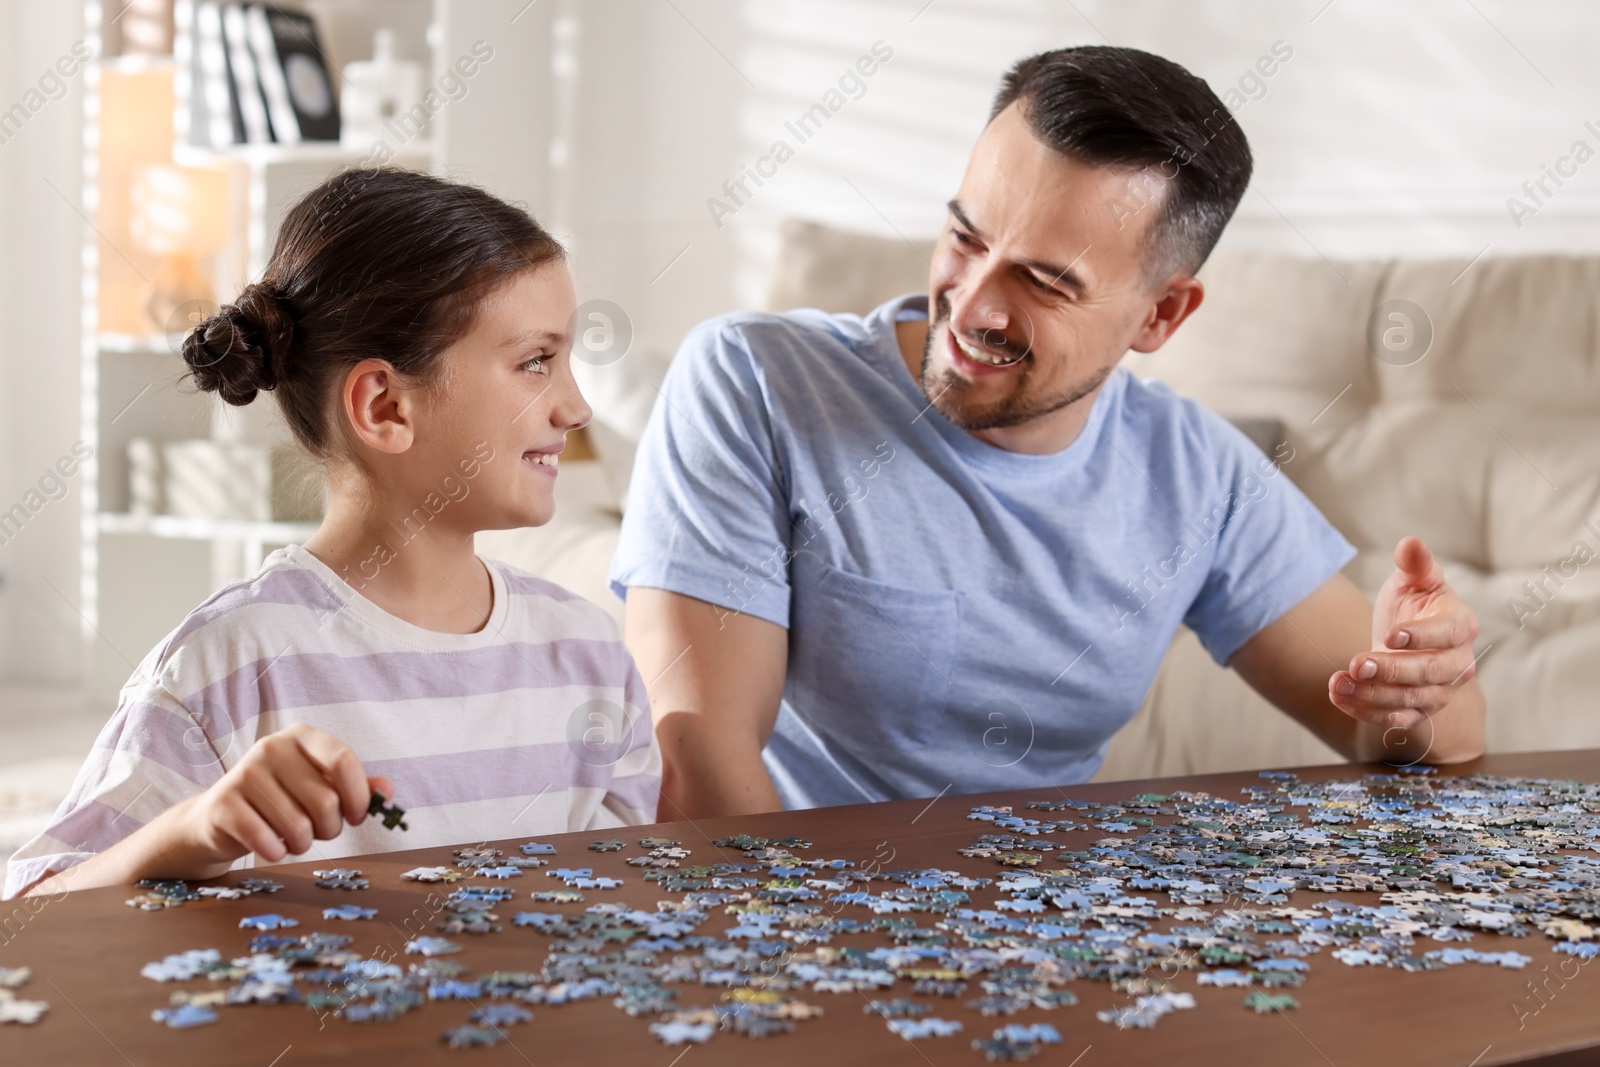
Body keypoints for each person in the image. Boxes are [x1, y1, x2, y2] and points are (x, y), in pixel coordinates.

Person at [612, 46, 1486, 818]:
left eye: (1043, 281)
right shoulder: (756, 381)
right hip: (779, 932)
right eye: (966, 235)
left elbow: (1419, 740)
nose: (975, 304)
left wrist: (1422, 691)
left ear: (1162, 314)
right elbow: (702, 769)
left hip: (1045, 946)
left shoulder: (1198, 476)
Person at [6, 169, 660, 899]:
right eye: (536, 361)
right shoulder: (229, 666)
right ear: (384, 405)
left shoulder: (591, 654)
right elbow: (28, 918)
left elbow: (622, 903)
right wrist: (191, 831)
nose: (575, 407)